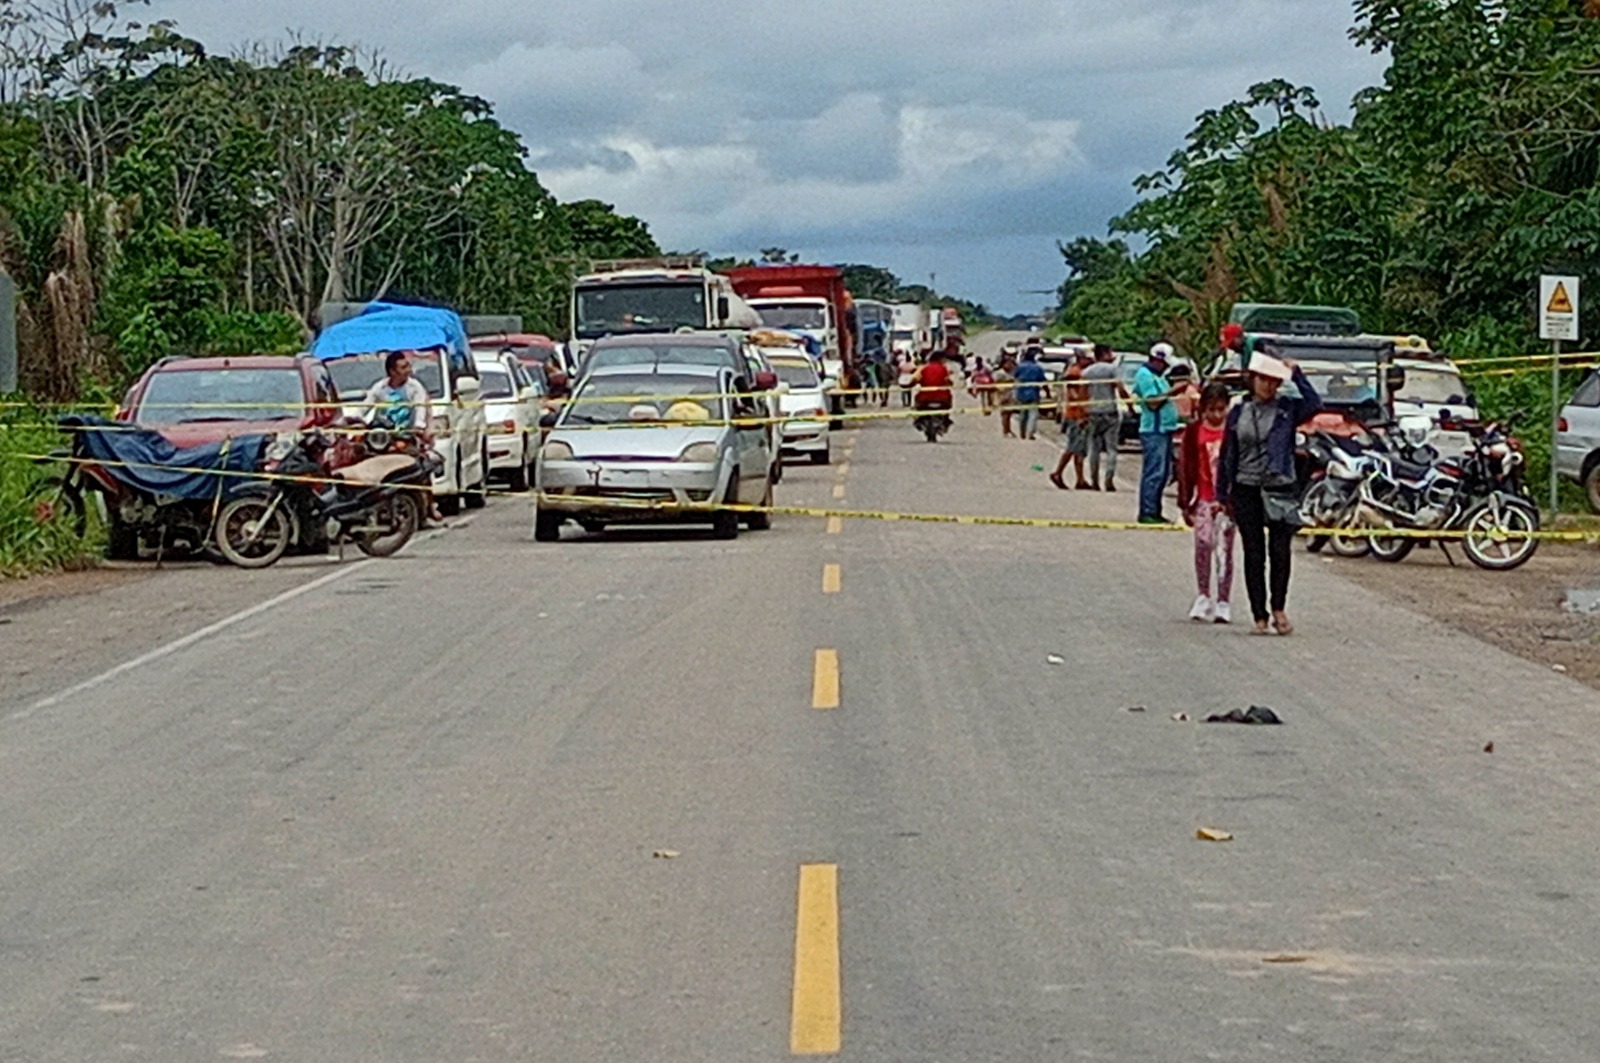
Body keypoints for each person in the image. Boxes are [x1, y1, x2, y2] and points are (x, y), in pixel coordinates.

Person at [1218, 350, 1324, 636]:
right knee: (1254, 552)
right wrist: (1222, 493)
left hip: (1279, 485)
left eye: (1274, 381)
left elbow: (1315, 403)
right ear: (1252, 380)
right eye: (1263, 380)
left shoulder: (1287, 409)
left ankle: (1279, 608)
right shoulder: (1238, 411)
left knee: (1280, 550)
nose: (1268, 386)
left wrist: (1297, 374)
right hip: (1245, 486)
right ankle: (1259, 615)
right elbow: (1228, 453)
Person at [1177, 383, 1236, 624]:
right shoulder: (1194, 432)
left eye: (1221, 409)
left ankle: (1223, 601)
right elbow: (1185, 466)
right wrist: (1185, 501)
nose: (1216, 415)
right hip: (1202, 496)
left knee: (1224, 550)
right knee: (1203, 544)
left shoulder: (1232, 431)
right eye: (1211, 410)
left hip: (1226, 501)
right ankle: (1203, 594)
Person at [1132, 343, 1179, 523]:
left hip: (1164, 429)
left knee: (1163, 472)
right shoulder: (1144, 375)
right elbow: (1152, 402)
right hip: (1154, 429)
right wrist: (1174, 391)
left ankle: (1155, 509)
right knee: (1154, 472)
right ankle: (1147, 511)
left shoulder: (1158, 377)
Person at [1081, 345, 1127, 491]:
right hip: (1110, 411)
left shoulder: (1087, 372)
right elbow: (1120, 388)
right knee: (1111, 448)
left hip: (1092, 412)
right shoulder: (1112, 369)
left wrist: (1083, 413)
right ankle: (1109, 479)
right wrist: (1130, 404)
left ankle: (1094, 480)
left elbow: (1083, 394)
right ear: (1105, 354)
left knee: (1094, 449)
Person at [1049, 350, 1094, 490]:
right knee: (1073, 447)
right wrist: (1082, 409)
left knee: (1079, 449)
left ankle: (1080, 479)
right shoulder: (1075, 372)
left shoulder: (1080, 371)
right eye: (1088, 359)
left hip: (1080, 414)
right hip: (1076, 415)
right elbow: (1073, 394)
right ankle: (1058, 473)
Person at [363, 350, 431, 430]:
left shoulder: (415, 387)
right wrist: (356, 420)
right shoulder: (380, 387)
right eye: (403, 368)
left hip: (406, 431)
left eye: (408, 366)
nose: (408, 370)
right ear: (392, 371)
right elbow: (365, 406)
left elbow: (420, 409)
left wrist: (419, 426)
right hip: (383, 431)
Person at [1013, 348, 1048, 440]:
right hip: (1034, 392)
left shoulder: (1020, 367)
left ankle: (1022, 433)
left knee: (1023, 413)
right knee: (1033, 414)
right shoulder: (1038, 368)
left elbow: (1015, 376)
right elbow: (1043, 381)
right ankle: (1030, 433)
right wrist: (1047, 392)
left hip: (1022, 392)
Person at [993, 353, 1017, 437]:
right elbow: (994, 383)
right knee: (1005, 414)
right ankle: (1005, 430)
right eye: (1008, 364)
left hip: (1010, 395)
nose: (1010, 365)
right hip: (1003, 395)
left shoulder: (1011, 373)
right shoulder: (999, 373)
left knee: (1009, 414)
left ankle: (1008, 429)